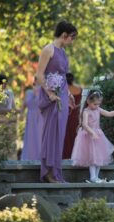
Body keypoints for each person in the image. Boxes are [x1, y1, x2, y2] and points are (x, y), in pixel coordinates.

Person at [33, 20, 77, 183]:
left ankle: (56, 172)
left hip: (62, 95)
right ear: (64, 35)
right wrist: (50, 93)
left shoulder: (63, 52)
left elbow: (63, 75)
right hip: (51, 97)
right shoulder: (48, 49)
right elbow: (39, 75)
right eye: (72, 37)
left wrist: (68, 93)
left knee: (59, 134)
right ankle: (48, 172)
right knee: (51, 133)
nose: (72, 41)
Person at [71, 91, 114, 183]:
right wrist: (91, 132)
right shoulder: (86, 111)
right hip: (89, 135)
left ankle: (97, 177)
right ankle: (93, 177)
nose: (97, 106)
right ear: (88, 101)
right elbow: (84, 124)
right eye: (95, 104)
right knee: (93, 157)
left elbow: (109, 113)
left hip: (98, 135)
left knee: (99, 156)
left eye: (98, 104)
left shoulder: (98, 109)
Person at [21, 77, 44, 161]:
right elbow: (23, 105)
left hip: (40, 117)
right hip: (30, 118)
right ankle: (29, 157)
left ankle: (40, 157)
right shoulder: (28, 92)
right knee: (30, 137)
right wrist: (21, 114)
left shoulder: (44, 92)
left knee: (39, 137)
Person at [63, 73, 83, 160]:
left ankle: (66, 155)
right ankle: (76, 155)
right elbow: (82, 103)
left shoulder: (63, 90)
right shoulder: (80, 89)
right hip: (76, 115)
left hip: (66, 114)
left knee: (66, 135)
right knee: (76, 134)